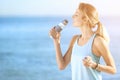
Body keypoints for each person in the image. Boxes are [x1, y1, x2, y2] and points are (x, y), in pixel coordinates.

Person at [49, 2, 116, 80]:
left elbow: (113, 70)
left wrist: (93, 65)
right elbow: (62, 65)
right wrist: (56, 41)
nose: (72, 16)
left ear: (85, 19)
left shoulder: (98, 41)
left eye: (76, 14)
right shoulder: (74, 39)